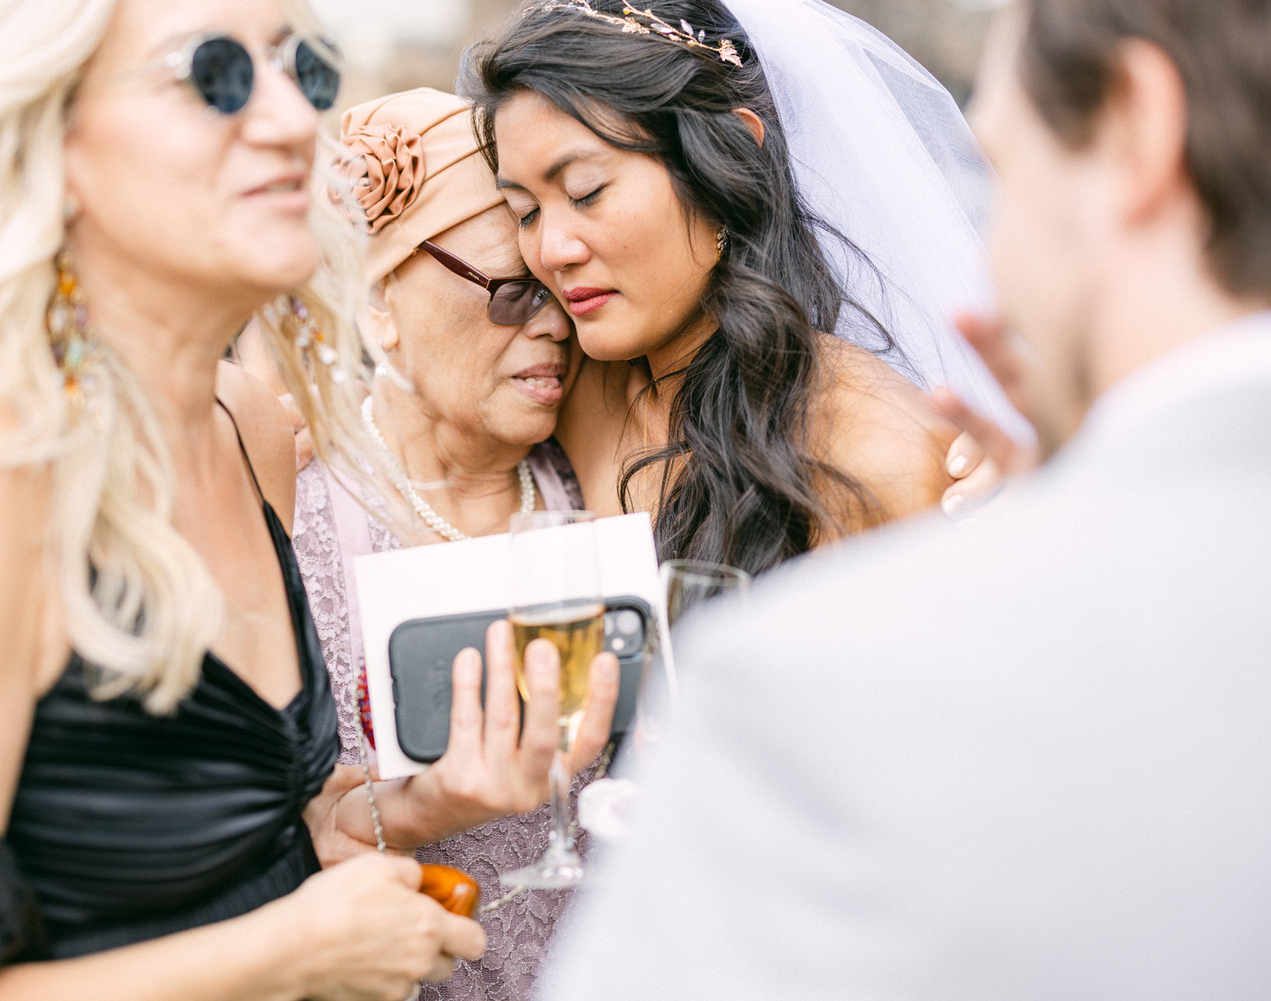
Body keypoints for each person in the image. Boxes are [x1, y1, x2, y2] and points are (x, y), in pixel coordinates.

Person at [0, 0, 617, 997]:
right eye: (210, 73)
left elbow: (241, 840)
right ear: (53, 133)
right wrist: (293, 954)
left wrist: (435, 799)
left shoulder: (242, 421)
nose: (290, 121)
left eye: (296, 67)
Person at [539, 0, 1271, 995]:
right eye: (521, 210)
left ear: (1138, 129)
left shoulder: (821, 643)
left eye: (998, 182)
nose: (976, 294)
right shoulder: (565, 379)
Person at [464, 0, 1021, 576]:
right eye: (524, 211)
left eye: (586, 191)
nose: (552, 252)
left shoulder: (872, 452)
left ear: (727, 158)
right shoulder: (569, 384)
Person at [294, 87, 591, 1001]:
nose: (553, 322)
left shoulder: (605, 477)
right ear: (380, 297)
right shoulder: (297, 518)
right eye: (511, 290)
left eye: (563, 287)